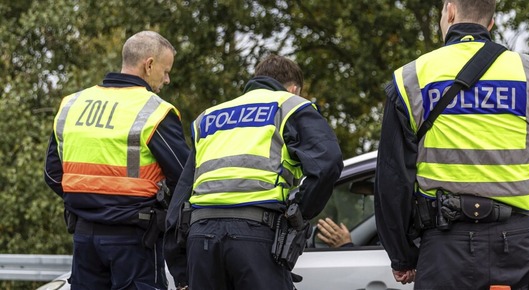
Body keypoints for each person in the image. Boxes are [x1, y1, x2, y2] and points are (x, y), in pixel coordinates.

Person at [374, 0, 529, 289]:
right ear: (491, 23)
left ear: (450, 11)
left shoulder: (411, 78)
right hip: (515, 245)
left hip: (444, 247)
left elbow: (391, 179)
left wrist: (402, 256)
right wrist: (523, 187)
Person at [164, 54, 344, 289]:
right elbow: (328, 163)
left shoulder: (208, 117)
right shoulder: (290, 105)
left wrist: (180, 268)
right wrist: (297, 215)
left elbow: (180, 197)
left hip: (202, 238)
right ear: (294, 88)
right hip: (255, 235)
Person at [44, 31, 189, 290]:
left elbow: (53, 174)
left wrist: (92, 204)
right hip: (134, 238)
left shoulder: (72, 104)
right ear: (149, 64)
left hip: (84, 237)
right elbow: (185, 177)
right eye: (165, 71)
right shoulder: (154, 111)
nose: (166, 79)